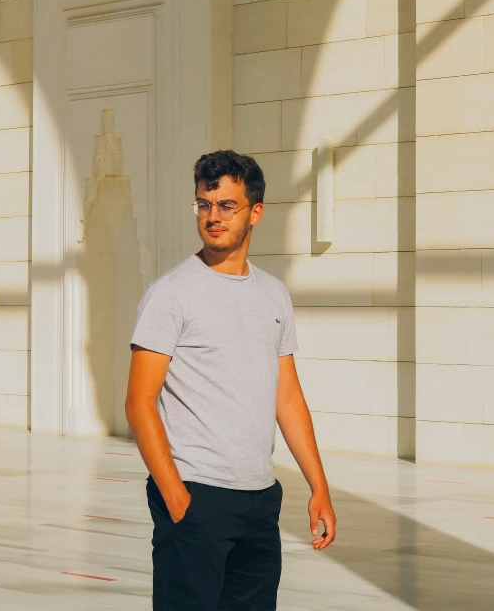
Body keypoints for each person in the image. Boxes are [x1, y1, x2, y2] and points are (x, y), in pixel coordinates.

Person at [126, 150, 336, 611]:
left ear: (255, 212)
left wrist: (318, 487)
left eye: (226, 205)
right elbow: (140, 403)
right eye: (204, 204)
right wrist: (176, 497)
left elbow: (288, 396)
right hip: (196, 496)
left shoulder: (273, 294)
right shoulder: (171, 294)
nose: (212, 216)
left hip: (261, 501)